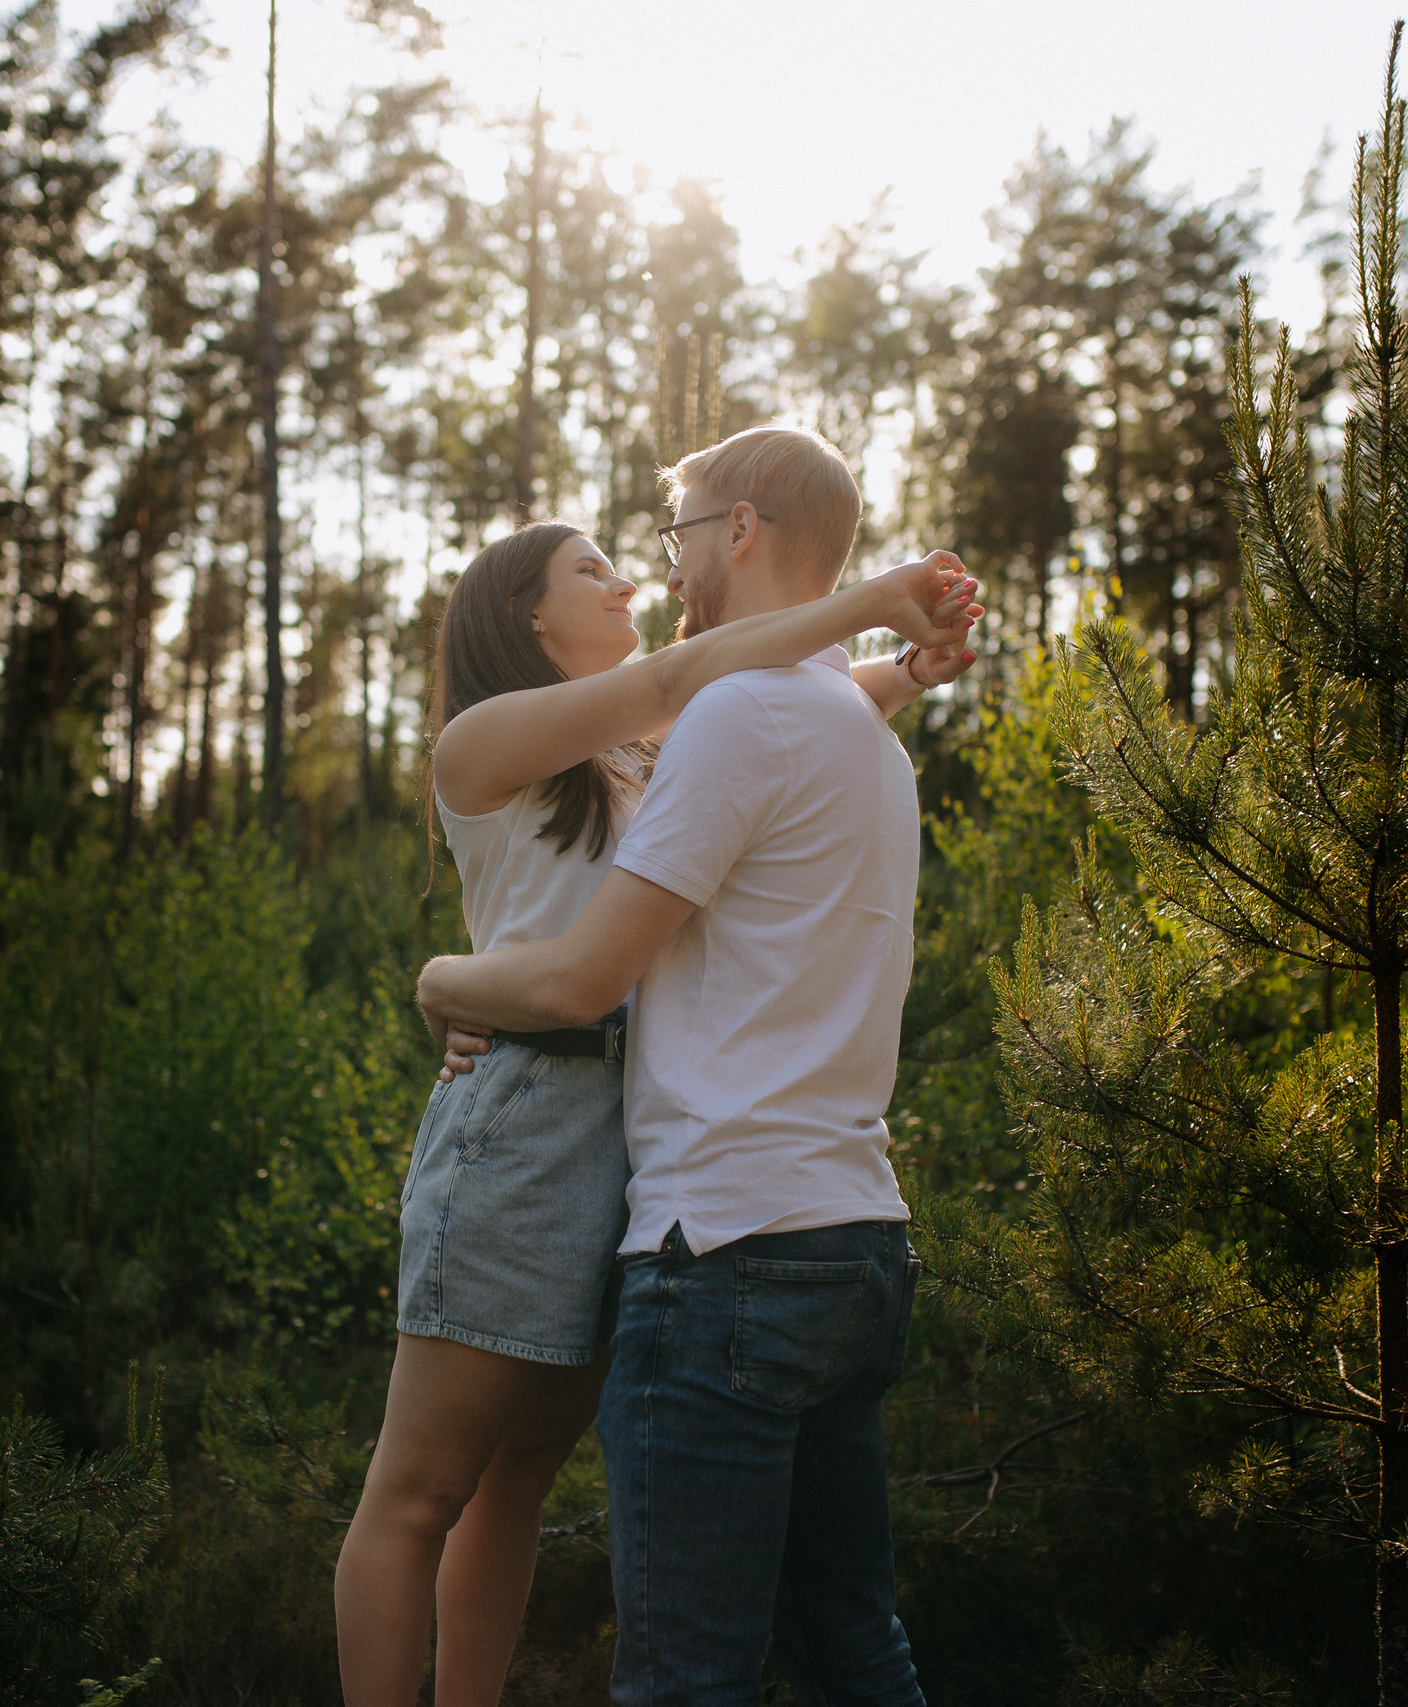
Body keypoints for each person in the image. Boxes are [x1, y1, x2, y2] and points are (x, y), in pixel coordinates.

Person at [336, 507, 978, 1707]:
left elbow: (764, 724)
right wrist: (875, 597)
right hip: (522, 1126)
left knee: (519, 1478)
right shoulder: (480, 742)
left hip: (635, 1142)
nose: (628, 581)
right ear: (526, 612)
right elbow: (694, 670)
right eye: (593, 571)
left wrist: (904, 673)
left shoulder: (641, 748)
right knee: (421, 1485)